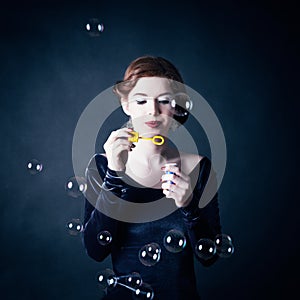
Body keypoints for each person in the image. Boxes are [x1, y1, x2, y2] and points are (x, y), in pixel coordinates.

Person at [82, 55, 222, 299]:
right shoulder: (103, 165)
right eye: (141, 100)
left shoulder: (199, 168)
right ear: (126, 104)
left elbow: (209, 256)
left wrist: (188, 205)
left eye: (164, 101)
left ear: (177, 107)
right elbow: (95, 250)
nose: (152, 111)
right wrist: (114, 176)